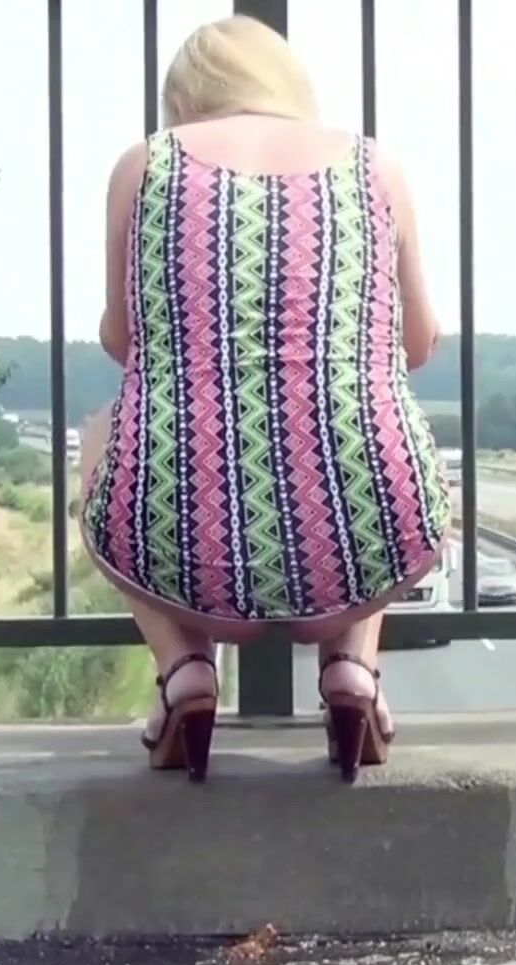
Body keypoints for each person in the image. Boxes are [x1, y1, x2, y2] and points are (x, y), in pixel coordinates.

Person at [78, 14, 448, 783]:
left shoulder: (145, 166)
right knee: (370, 429)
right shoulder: (374, 168)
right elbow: (418, 344)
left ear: (184, 97)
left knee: (103, 434)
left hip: (185, 543)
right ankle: (352, 668)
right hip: (367, 531)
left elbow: (123, 339)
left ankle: (184, 668)